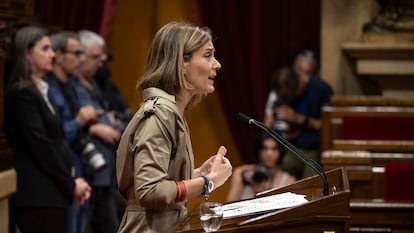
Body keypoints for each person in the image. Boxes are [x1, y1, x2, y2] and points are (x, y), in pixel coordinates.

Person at [116, 21, 233, 233]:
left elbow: (161, 182)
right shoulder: (160, 115)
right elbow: (150, 190)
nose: (217, 64)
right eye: (207, 55)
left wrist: (197, 175)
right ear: (181, 64)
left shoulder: (171, 113)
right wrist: (208, 182)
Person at [4, 25, 91, 233]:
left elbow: (56, 142)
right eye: (45, 49)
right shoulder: (22, 93)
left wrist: (72, 180)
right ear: (26, 53)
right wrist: (71, 184)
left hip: (51, 193)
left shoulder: (41, 89)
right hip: (38, 196)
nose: (52, 54)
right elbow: (42, 147)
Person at [46, 31, 101, 233]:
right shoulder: (49, 89)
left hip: (82, 166)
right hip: (65, 172)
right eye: (77, 53)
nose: (83, 58)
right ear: (59, 56)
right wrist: (79, 120)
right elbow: (56, 136)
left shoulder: (71, 85)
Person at [71, 29, 123, 233]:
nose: (102, 60)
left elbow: (105, 113)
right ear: (80, 55)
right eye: (95, 56)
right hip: (87, 169)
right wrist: (94, 126)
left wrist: (107, 121)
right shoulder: (70, 84)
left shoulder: (93, 81)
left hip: (106, 168)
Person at [264, 67, 333, 180]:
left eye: (291, 95)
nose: (290, 98)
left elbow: (328, 126)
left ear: (300, 83)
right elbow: (268, 123)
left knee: (310, 182)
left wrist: (298, 118)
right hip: (287, 146)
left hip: (313, 148)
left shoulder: (321, 90)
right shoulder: (284, 89)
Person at [226, 133, 296, 202]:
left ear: (281, 152)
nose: (269, 153)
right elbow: (230, 202)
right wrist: (243, 182)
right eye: (264, 148)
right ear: (258, 151)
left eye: (274, 149)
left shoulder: (288, 180)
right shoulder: (241, 172)